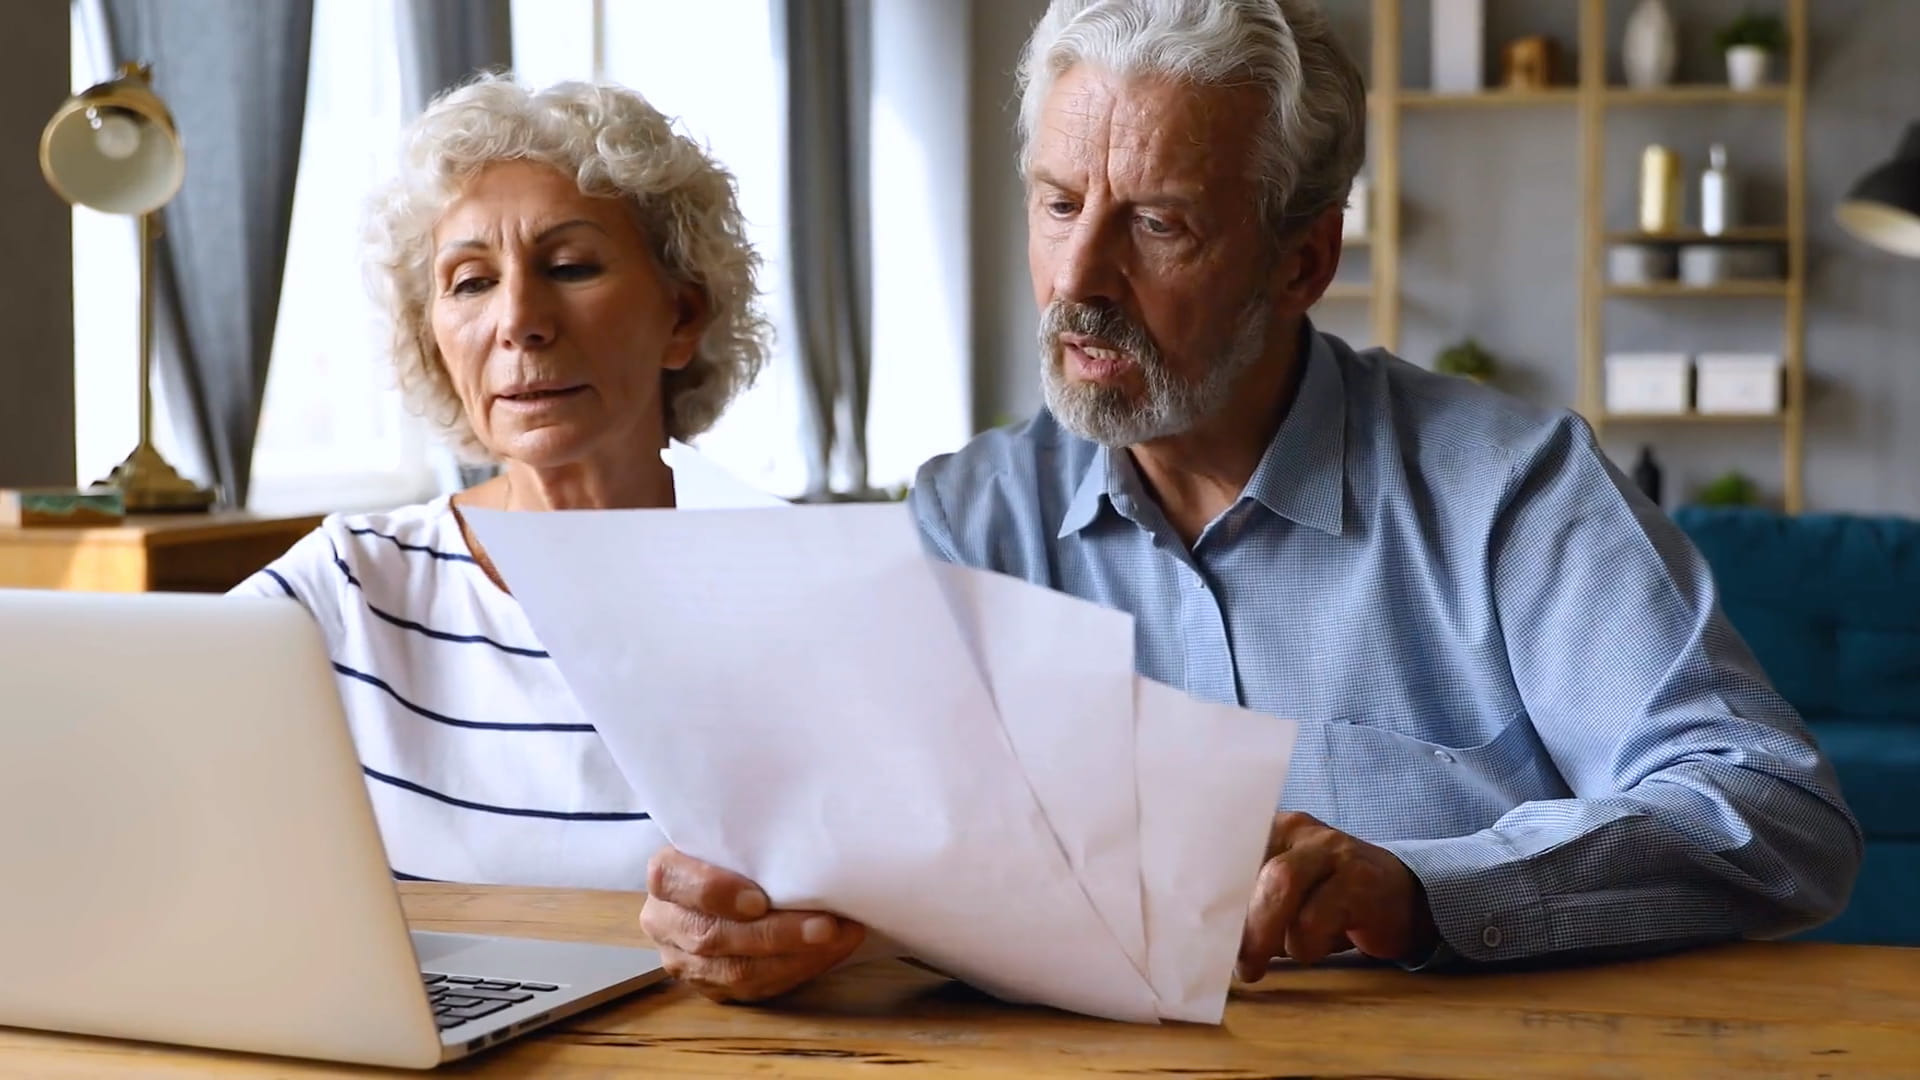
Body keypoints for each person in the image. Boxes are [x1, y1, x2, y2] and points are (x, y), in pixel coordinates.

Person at [646, 0, 1861, 999]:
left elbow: (1773, 815)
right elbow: (861, 831)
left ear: (1303, 261)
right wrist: (756, 909)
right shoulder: (972, 518)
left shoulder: (1513, 493)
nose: (1078, 280)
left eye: (1158, 223)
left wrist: (1426, 884)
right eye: (1060, 203)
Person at [232, 76, 869, 992]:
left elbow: (922, 904)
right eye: (470, 283)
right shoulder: (348, 586)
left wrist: (818, 938)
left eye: (571, 266)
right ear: (434, 340)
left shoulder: (815, 595)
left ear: (681, 317)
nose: (519, 322)